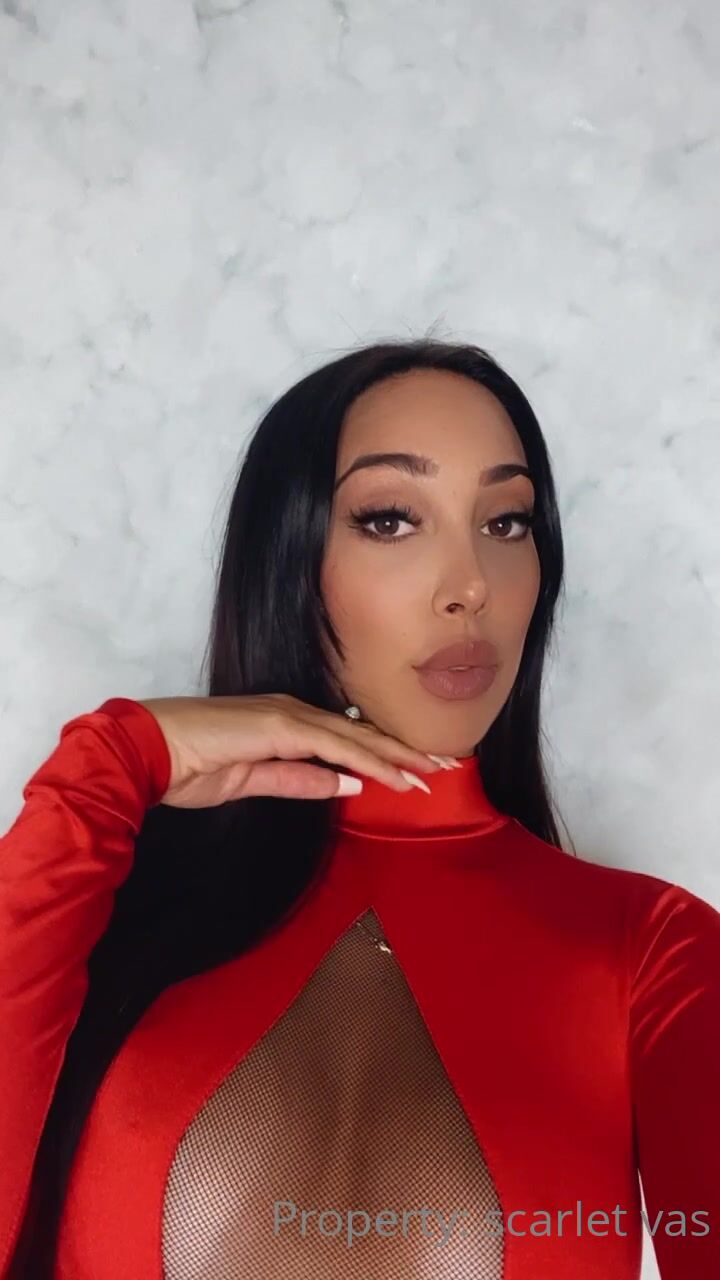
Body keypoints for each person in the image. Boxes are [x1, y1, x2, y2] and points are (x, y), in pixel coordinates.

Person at [1, 339, 718, 1280]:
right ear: (292, 562)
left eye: (506, 522)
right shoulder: (110, 897)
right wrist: (106, 765)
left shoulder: (650, 953)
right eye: (390, 519)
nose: (471, 585)